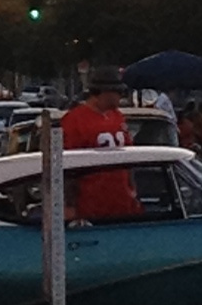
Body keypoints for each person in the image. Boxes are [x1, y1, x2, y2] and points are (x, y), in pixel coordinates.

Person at [58, 78, 143, 221]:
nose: (120, 96)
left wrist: (133, 190)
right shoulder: (74, 120)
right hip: (90, 206)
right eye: (118, 92)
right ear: (102, 93)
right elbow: (68, 166)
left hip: (123, 202)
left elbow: (129, 159)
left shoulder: (117, 116)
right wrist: (69, 204)